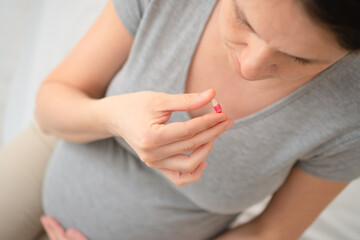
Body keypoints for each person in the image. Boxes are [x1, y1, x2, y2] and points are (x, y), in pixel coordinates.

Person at [1, 0, 360, 239]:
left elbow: (270, 231)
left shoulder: (350, 110)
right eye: (242, 21)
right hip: (55, 157)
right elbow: (49, 105)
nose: (250, 68)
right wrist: (112, 117)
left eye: (299, 59)